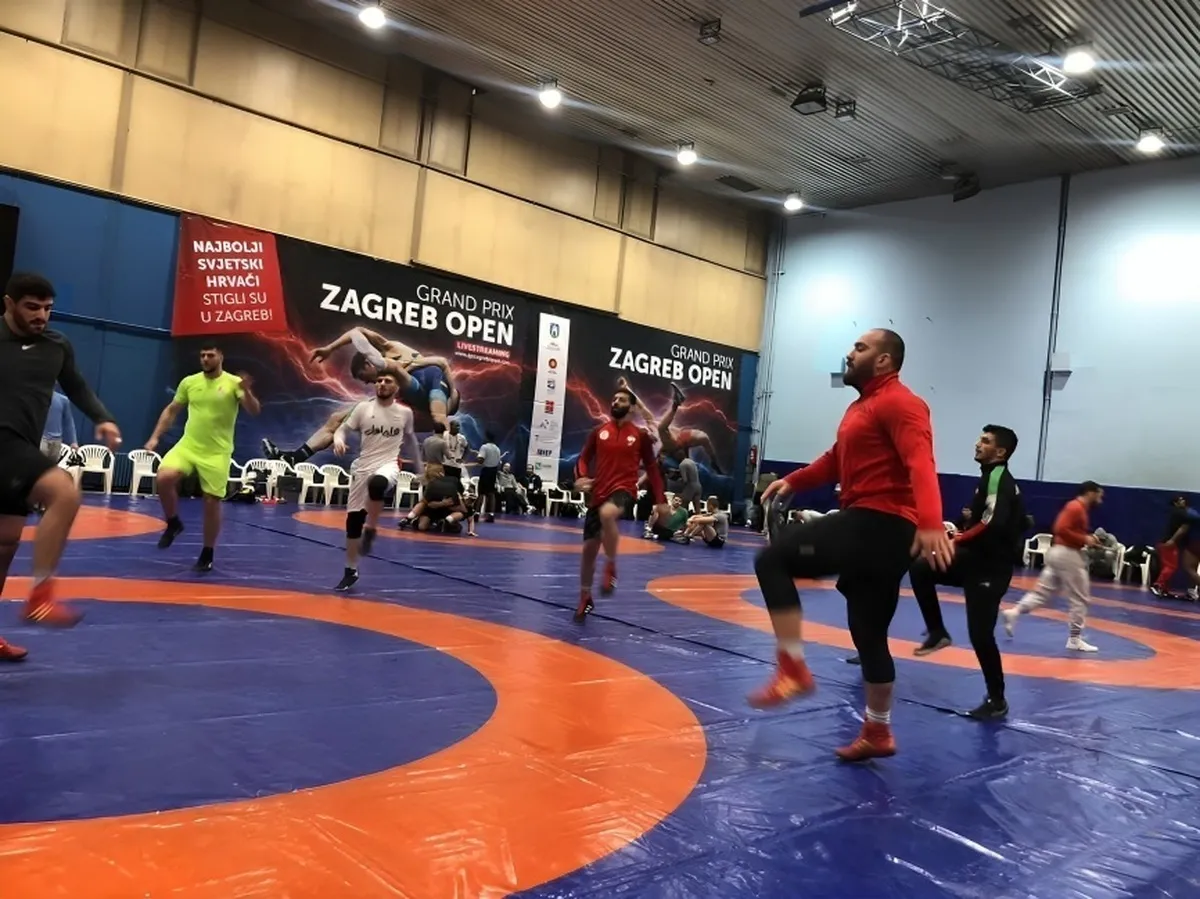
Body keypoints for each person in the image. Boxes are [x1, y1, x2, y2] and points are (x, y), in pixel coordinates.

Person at [752, 329, 950, 763]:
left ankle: (792, 668)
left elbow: (921, 462)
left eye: (860, 348)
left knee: (773, 561)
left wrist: (932, 523)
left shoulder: (900, 402)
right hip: (883, 532)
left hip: (878, 523)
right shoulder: (861, 407)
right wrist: (794, 480)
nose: (849, 353)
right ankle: (878, 730)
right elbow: (836, 459)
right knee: (868, 633)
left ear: (883, 361)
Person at [0, 272, 123, 647]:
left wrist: (102, 417)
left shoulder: (57, 346)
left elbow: (77, 386)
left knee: (5, 543)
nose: (41, 315)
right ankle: (40, 595)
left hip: (22, 446)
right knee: (64, 492)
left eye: (47, 308)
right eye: (31, 307)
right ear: (9, 304)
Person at [908, 425, 1025, 720]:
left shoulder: (998, 478)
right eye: (979, 439)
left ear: (1000, 452)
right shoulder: (988, 478)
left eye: (985, 441)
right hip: (974, 561)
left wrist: (957, 539)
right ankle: (937, 632)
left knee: (981, 635)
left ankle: (997, 700)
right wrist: (962, 531)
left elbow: (991, 523)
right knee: (921, 568)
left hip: (990, 569)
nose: (977, 444)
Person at [261, 326, 459, 466]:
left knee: (403, 380)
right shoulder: (390, 379)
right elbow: (356, 332)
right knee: (337, 418)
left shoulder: (394, 349)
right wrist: (330, 348)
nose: (372, 384)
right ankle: (294, 458)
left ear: (368, 364)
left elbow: (357, 331)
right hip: (412, 405)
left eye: (367, 378)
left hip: (433, 398)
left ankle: (449, 472)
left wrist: (452, 392)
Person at [146, 344, 261, 572]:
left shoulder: (233, 383)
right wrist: (155, 437)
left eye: (210, 355)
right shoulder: (190, 382)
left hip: (217, 452)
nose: (205, 359)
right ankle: (173, 523)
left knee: (211, 501)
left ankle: (207, 552)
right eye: (202, 355)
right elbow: (171, 410)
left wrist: (247, 391)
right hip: (188, 446)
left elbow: (254, 410)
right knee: (164, 477)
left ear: (220, 356)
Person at [573, 387, 667, 623]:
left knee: (608, 514)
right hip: (599, 492)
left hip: (624, 490)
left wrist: (661, 500)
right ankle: (585, 596)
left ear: (632, 407)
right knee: (588, 551)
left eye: (622, 399)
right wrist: (582, 477)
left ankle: (611, 565)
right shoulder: (599, 432)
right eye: (614, 398)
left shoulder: (640, 436)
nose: (615, 401)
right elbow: (583, 458)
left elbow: (652, 468)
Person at [331, 372, 420, 591]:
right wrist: (338, 440)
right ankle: (350, 570)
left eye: (387, 381)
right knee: (353, 522)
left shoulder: (405, 413)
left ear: (396, 387)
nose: (381, 384)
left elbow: (411, 441)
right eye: (379, 380)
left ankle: (371, 529)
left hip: (388, 464)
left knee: (377, 484)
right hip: (363, 467)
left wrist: (420, 470)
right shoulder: (363, 408)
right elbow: (342, 429)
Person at [1002, 481, 1104, 652]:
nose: (1100, 499)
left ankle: (1014, 612)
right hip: (1068, 555)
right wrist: (1084, 539)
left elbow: (1067, 530)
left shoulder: (1077, 508)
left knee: (1042, 593)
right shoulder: (1075, 507)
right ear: (1090, 492)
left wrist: (1087, 539)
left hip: (1058, 553)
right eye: (1099, 495)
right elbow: (1060, 528)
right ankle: (1074, 639)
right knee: (1080, 598)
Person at [1150, 495, 1200, 599]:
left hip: (1188, 543)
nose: (1183, 502)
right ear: (1175, 503)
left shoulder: (1181, 514)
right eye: (1180, 500)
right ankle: (1162, 586)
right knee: (1175, 567)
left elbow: (1184, 528)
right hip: (1176, 542)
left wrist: (1173, 540)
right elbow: (1184, 527)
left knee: (1181, 567)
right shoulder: (1183, 513)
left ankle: (1160, 585)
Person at [40, 388, 78, 462]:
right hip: (42, 438)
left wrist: (73, 441)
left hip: (57, 440)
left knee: (52, 466)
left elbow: (68, 421)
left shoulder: (63, 400)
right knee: (40, 464)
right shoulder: (38, 398)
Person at [476, 434, 502, 522]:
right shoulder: (497, 449)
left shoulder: (484, 447)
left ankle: (476, 513)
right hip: (494, 471)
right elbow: (498, 463)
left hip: (486, 471)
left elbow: (480, 460)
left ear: (487, 438)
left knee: (481, 493)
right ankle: (491, 514)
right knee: (491, 493)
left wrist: (478, 457)